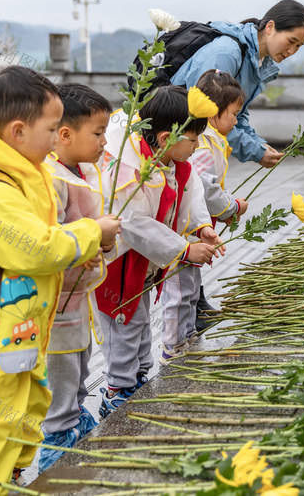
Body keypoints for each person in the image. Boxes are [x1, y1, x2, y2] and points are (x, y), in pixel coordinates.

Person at [0, 66, 120, 494]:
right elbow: (35, 247)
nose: (56, 138)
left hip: (17, 332)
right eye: (51, 129)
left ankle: (10, 479)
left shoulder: (19, 170)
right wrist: (92, 233)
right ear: (18, 131)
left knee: (22, 416)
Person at [95, 85, 224, 417]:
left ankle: (137, 378)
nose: (197, 146)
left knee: (139, 323)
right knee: (123, 326)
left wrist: (201, 226)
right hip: (122, 264)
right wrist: (184, 249)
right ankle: (117, 389)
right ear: (167, 138)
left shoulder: (174, 162)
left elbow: (191, 192)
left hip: (145, 264)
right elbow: (134, 223)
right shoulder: (131, 169)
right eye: (193, 139)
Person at [38, 83, 113, 472]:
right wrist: (89, 242)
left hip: (78, 296)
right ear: (64, 134)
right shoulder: (50, 179)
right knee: (62, 371)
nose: (104, 142)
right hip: (58, 299)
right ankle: (57, 439)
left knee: (80, 363)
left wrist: (103, 242)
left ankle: (74, 415)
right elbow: (50, 241)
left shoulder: (80, 171)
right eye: (98, 133)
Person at [170, 0, 304, 168]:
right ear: (270, 27)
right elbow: (210, 117)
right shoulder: (227, 53)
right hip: (176, 141)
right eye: (291, 41)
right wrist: (256, 151)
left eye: (299, 46)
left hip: (194, 145)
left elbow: (236, 114)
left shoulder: (257, 61)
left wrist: (258, 144)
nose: (292, 51)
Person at [171, 70, 248, 347]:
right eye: (234, 113)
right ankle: (175, 341)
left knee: (190, 284)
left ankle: (187, 332)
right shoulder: (202, 144)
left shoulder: (209, 139)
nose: (236, 120)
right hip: (188, 228)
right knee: (181, 288)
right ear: (214, 113)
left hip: (198, 225)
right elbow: (205, 187)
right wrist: (231, 207)